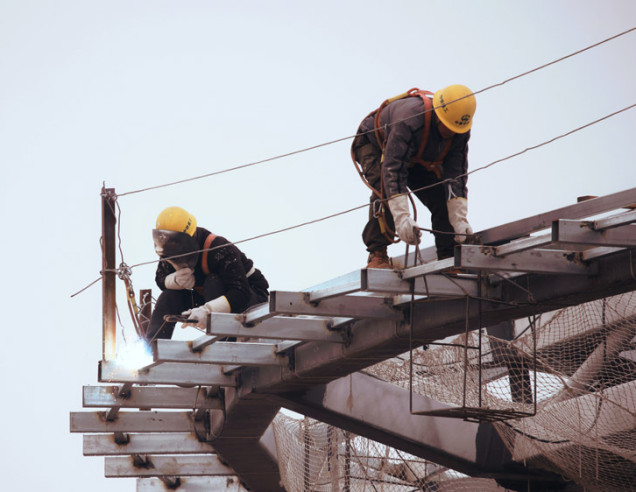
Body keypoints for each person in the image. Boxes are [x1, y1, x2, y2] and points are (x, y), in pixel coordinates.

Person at [351, 84, 476, 269]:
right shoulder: (410, 120)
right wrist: (402, 219)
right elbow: (393, 172)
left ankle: (449, 257)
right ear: (438, 117)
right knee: (384, 190)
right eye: (447, 128)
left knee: (441, 198)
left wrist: (459, 220)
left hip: (414, 155)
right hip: (374, 145)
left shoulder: (459, 130)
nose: (450, 134)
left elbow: (455, 176)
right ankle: (378, 254)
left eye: (454, 131)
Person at [144, 206, 269, 341]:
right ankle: (152, 349)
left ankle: (224, 343)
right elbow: (160, 278)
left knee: (213, 282)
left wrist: (208, 310)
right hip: (209, 299)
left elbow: (240, 292)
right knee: (170, 296)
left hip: (250, 297)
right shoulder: (168, 252)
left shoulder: (218, 249)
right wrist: (172, 281)